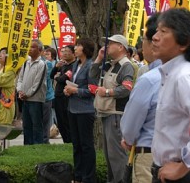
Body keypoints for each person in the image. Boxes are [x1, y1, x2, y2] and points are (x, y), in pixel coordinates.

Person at [151, 9, 190, 182]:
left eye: (163, 31)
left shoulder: (184, 76)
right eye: (157, 30)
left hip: (183, 175)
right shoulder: (170, 74)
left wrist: (183, 167)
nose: (155, 37)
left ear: (184, 43)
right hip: (167, 170)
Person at [120, 13, 161, 182]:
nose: (141, 45)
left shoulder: (150, 79)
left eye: (143, 39)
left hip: (149, 155)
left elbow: (130, 126)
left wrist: (128, 139)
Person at [89, 34, 135, 183]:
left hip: (116, 115)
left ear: (121, 47)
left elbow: (127, 88)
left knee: (117, 157)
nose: (106, 46)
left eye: (110, 44)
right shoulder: (110, 64)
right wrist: (98, 58)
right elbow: (93, 76)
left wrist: (108, 92)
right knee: (110, 156)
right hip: (107, 114)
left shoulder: (126, 66)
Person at [63, 38, 97, 183]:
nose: (75, 48)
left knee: (86, 145)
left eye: (78, 46)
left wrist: (75, 90)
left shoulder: (91, 66)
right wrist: (68, 90)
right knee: (76, 145)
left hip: (85, 110)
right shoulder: (76, 65)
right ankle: (78, 176)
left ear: (85, 49)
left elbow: (93, 90)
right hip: (73, 108)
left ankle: (88, 177)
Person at [16, 40, 48, 145]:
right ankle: (27, 145)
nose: (30, 49)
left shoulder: (42, 64)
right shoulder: (26, 63)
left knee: (36, 125)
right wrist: (20, 91)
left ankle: (38, 146)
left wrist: (28, 94)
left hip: (35, 99)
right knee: (27, 125)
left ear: (39, 50)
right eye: (29, 47)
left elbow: (38, 83)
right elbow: (20, 79)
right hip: (24, 98)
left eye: (33, 47)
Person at [51, 45, 75, 143]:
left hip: (66, 97)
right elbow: (51, 75)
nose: (64, 53)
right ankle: (66, 141)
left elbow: (62, 79)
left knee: (66, 121)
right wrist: (56, 68)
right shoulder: (62, 65)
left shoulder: (74, 65)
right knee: (60, 122)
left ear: (73, 53)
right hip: (58, 96)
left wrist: (58, 77)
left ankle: (70, 141)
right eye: (63, 51)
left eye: (67, 51)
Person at [42, 46, 57, 143]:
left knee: (49, 116)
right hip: (46, 94)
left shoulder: (51, 64)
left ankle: (49, 134)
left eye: (48, 54)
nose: (46, 55)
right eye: (45, 54)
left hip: (50, 94)